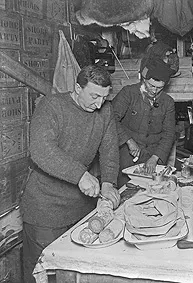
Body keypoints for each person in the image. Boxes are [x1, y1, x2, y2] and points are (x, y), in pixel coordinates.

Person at [21, 65, 121, 283]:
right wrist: (80, 175)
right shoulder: (52, 106)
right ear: (77, 87)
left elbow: (110, 151)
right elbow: (41, 149)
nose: (99, 104)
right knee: (42, 274)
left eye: (104, 97)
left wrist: (109, 183)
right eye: (94, 96)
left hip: (80, 209)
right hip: (44, 208)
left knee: (74, 273)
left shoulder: (105, 111)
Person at [113, 57, 176, 187]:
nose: (154, 90)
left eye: (159, 88)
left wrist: (155, 157)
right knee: (126, 188)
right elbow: (111, 119)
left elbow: (169, 134)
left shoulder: (168, 102)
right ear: (144, 79)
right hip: (127, 153)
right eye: (151, 86)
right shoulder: (128, 93)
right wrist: (129, 141)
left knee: (153, 189)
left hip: (153, 154)